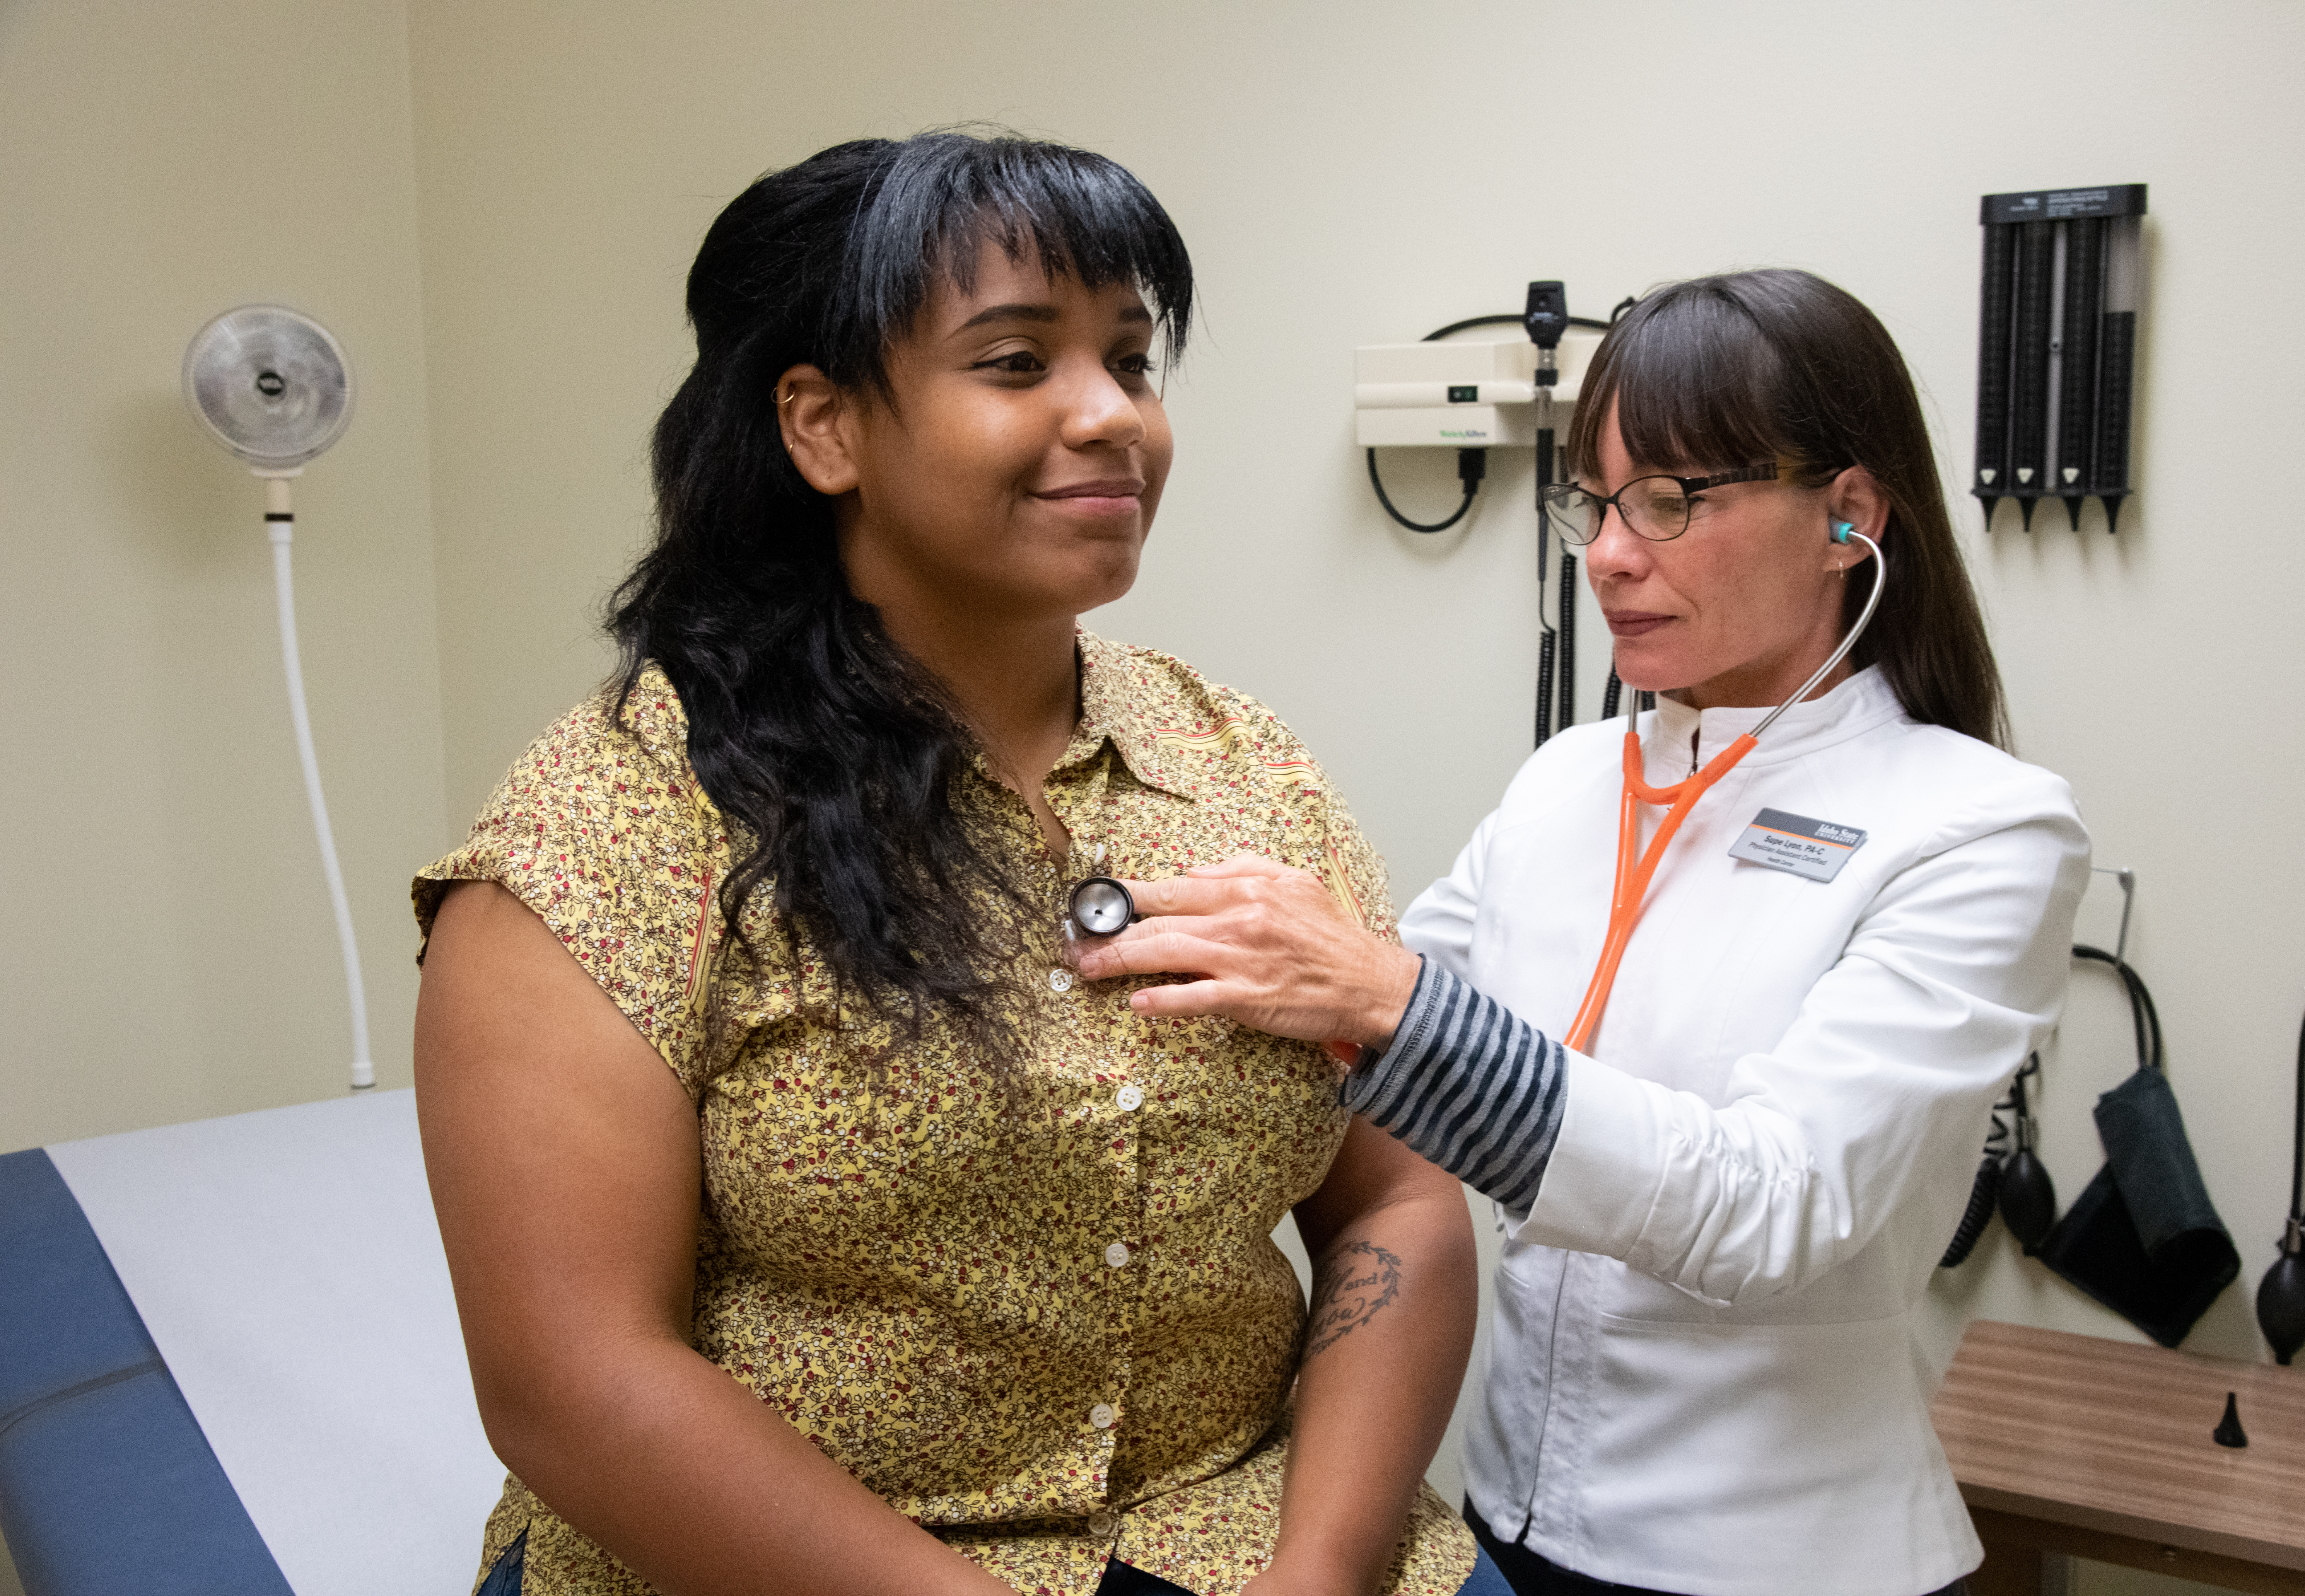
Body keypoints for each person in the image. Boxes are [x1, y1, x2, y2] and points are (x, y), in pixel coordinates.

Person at [411, 132, 1514, 1596]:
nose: (1111, 414)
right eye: (1015, 363)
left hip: (1241, 1534)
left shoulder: (1242, 764)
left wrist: (1315, 1575)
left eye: (1132, 359)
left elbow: (1398, 1203)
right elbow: (577, 1377)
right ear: (823, 429)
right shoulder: (617, 823)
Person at [1072, 269, 2092, 1596]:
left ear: (1849, 516)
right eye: (1597, 504)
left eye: (1672, 502)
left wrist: (1384, 1001)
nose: (1610, 554)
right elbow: (1365, 1058)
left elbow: (1775, 1208)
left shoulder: (1980, 827)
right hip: (1506, 1523)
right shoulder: (1570, 778)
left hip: (1780, 1562)